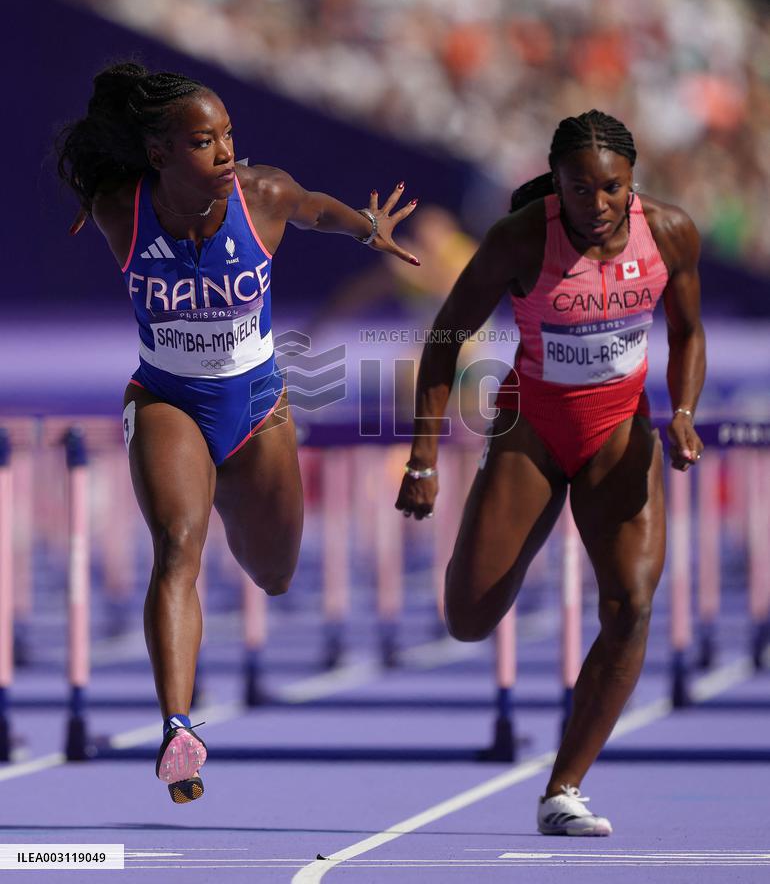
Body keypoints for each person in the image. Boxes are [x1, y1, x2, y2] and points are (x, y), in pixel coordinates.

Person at [57, 62, 419, 803]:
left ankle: (231, 495)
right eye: (203, 141)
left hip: (258, 405)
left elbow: (314, 207)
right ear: (159, 154)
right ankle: (178, 728)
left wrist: (365, 228)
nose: (224, 152)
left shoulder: (263, 194)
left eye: (229, 136)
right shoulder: (120, 208)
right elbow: (94, 184)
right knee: (177, 547)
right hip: (166, 398)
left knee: (276, 572)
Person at [395, 109, 705, 836]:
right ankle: (513, 534)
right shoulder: (520, 239)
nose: (595, 207)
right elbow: (445, 338)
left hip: (620, 430)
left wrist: (682, 411)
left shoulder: (669, 232)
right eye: (577, 190)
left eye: (611, 189)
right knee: (468, 619)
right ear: (554, 185)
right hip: (532, 429)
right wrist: (424, 455)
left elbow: (688, 331)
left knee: (630, 603)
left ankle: (563, 786)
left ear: (633, 183)